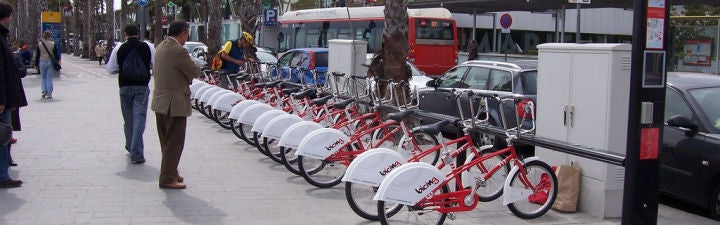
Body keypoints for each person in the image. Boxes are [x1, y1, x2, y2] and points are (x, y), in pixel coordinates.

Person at [151, 20, 200, 189]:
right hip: (174, 104)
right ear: (183, 33)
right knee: (174, 143)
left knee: (166, 141)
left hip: (160, 102)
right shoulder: (179, 51)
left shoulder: (161, 47)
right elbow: (194, 71)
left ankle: (172, 172)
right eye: (187, 34)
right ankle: (166, 179)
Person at [106, 24, 155, 164]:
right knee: (139, 118)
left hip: (125, 87)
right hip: (142, 87)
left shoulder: (119, 47)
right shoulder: (148, 47)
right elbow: (155, 63)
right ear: (138, 34)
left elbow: (111, 68)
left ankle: (131, 147)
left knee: (128, 120)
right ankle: (136, 152)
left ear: (125, 34)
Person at [0, 0, 28, 188]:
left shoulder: (2, 37)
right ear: (6, 16)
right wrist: (2, 99)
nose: (11, 19)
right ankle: (2, 175)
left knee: (4, 136)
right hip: (3, 99)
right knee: (2, 136)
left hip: (6, 97)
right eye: (10, 15)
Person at [36, 30, 56, 99]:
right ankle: (49, 93)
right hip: (50, 62)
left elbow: (37, 55)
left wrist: (36, 64)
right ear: (49, 36)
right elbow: (56, 54)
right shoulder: (53, 44)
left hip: (42, 62)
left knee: (43, 77)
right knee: (49, 78)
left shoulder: (40, 44)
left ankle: (44, 91)